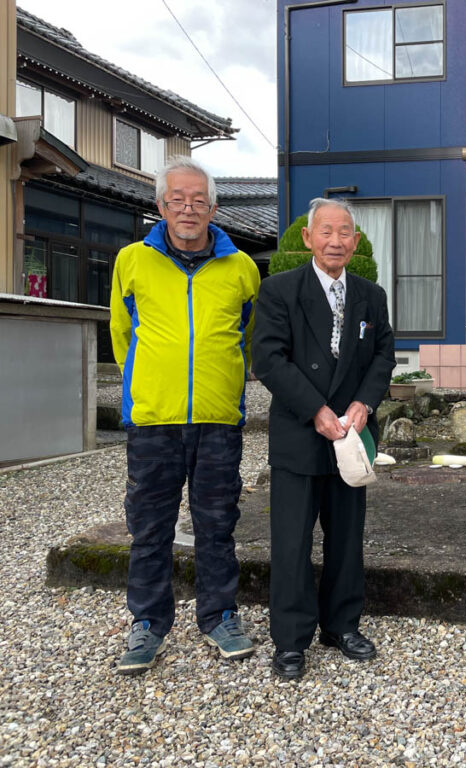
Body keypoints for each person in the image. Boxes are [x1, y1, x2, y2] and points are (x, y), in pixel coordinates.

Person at [109, 156, 261, 674]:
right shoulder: (131, 260)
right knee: (149, 526)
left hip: (218, 417)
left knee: (217, 523)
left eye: (199, 200)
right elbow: (122, 336)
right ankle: (148, 623)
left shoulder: (241, 267)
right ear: (161, 206)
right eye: (179, 199)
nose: (189, 208)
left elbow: (245, 335)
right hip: (153, 419)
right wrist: (143, 391)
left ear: (214, 207)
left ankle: (219, 615)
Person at [252, 198, 395, 680]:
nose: (336, 240)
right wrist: (315, 409)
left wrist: (364, 403)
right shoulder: (278, 290)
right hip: (299, 433)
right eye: (326, 231)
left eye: (345, 232)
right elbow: (270, 359)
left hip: (351, 437)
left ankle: (342, 624)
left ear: (355, 242)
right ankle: (290, 641)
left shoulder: (371, 296)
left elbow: (382, 357)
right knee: (291, 543)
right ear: (308, 239)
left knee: (347, 538)